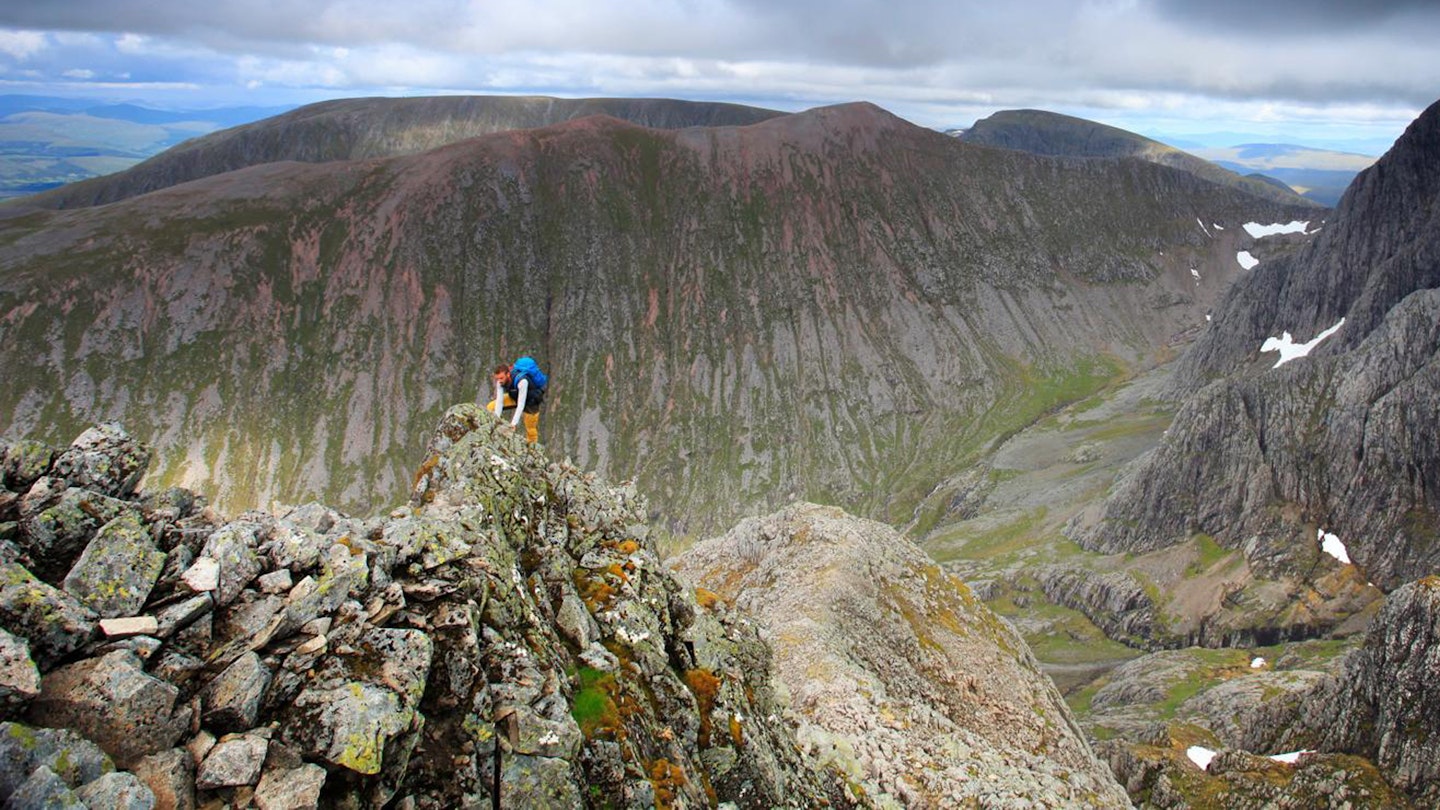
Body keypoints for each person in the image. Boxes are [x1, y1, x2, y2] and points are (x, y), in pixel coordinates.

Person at [486, 356, 547, 443]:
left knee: (530, 430)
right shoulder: (500, 382)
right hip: (515, 396)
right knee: (491, 406)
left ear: (508, 374)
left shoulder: (522, 382)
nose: (499, 381)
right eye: (497, 378)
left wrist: (513, 424)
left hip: (530, 402)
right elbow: (499, 402)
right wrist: (496, 419)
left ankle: (533, 450)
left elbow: (521, 404)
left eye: (501, 378)